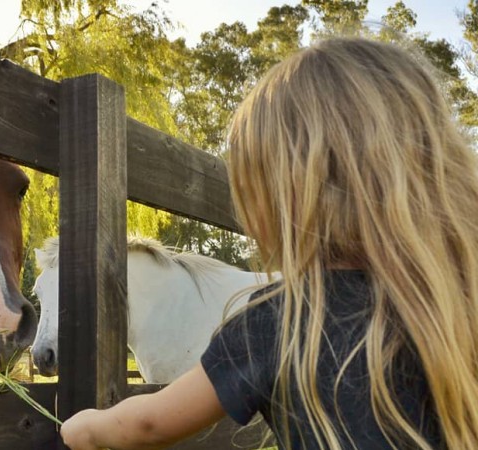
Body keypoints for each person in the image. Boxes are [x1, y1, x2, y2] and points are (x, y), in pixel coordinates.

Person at [59, 36, 478, 450]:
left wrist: (88, 428)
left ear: (287, 197)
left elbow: (148, 424)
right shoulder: (458, 301)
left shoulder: (278, 321)